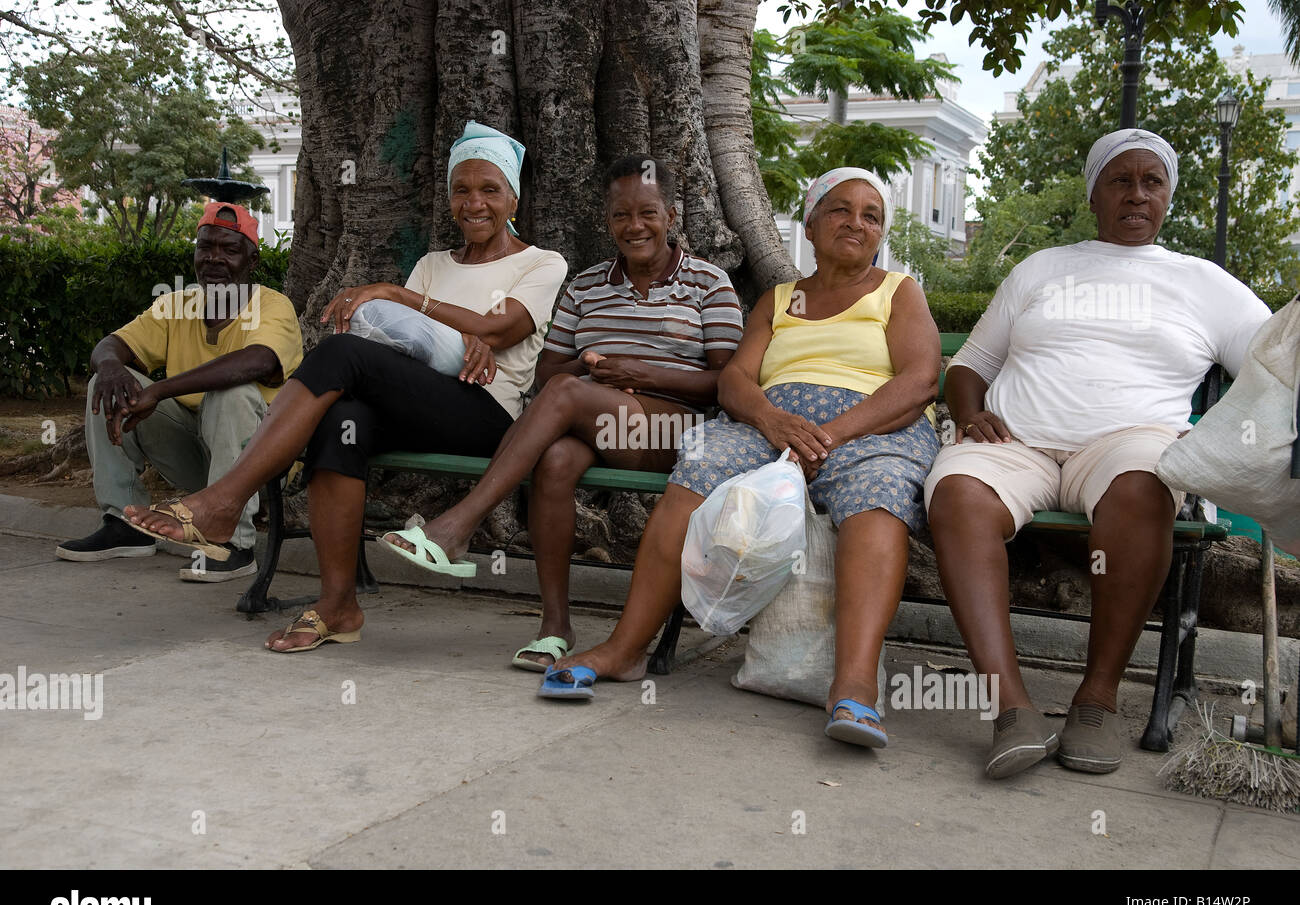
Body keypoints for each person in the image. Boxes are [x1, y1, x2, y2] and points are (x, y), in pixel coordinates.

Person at [123, 121, 568, 651]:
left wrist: (400, 297)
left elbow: (500, 328)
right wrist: (452, 328)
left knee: (339, 354)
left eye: (490, 189)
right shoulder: (432, 264)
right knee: (342, 419)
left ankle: (222, 502)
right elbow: (406, 343)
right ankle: (337, 606)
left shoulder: (542, 262)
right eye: (461, 189)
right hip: (421, 401)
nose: (474, 203)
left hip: (487, 416)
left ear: (513, 196)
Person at [538, 167, 941, 751]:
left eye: (870, 215)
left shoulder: (897, 292)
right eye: (840, 210)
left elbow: (919, 382)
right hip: (771, 420)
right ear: (809, 223)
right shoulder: (779, 299)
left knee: (876, 497)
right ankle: (625, 650)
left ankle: (853, 685)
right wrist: (772, 420)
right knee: (697, 467)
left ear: (881, 233)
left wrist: (828, 435)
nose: (856, 222)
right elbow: (735, 380)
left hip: (873, 424)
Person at [923, 129, 1272, 779]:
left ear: (1168, 195)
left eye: (1152, 181)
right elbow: (970, 365)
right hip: (1017, 441)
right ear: (1095, 195)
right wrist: (969, 412)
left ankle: (1097, 700)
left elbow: (1276, 368)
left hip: (1128, 442)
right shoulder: (1041, 269)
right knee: (958, 494)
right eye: (1120, 180)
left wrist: (1222, 433)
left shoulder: (1203, 283)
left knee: (1144, 485)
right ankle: (1011, 710)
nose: (1137, 194)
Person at [380, 154, 743, 672]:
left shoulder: (710, 283)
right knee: (554, 459)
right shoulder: (587, 285)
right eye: (620, 215)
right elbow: (548, 373)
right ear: (607, 219)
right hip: (591, 418)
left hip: (674, 431)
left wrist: (639, 374)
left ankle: (458, 525)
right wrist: (590, 365)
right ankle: (555, 626)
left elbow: (725, 385)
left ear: (673, 214)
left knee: (570, 395)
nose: (634, 226)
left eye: (647, 213)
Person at [56, 202, 303, 583]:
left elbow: (256, 362)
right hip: (198, 456)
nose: (214, 259)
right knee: (106, 385)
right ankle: (126, 524)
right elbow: (112, 344)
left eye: (229, 250)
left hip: (260, 465)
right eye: (205, 248)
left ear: (252, 261)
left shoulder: (273, 306)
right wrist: (108, 367)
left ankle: (233, 544)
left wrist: (162, 390)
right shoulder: (176, 303)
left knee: (233, 393)